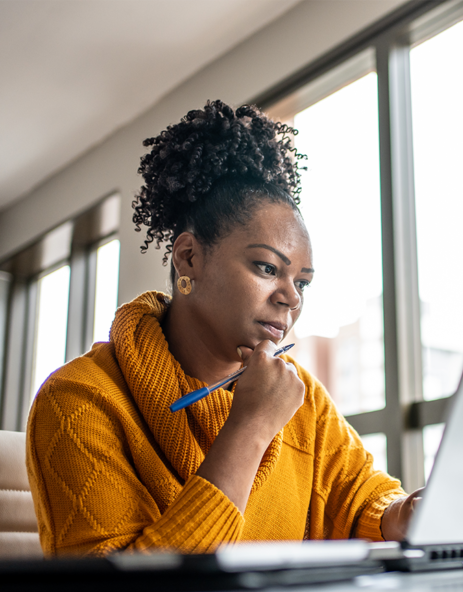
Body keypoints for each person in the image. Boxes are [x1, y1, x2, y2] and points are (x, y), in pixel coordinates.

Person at [26, 100, 418, 556]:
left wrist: (400, 513)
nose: (291, 297)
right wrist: (250, 427)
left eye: (303, 283)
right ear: (189, 257)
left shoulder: (301, 397)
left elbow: (360, 496)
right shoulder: (79, 400)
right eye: (267, 268)